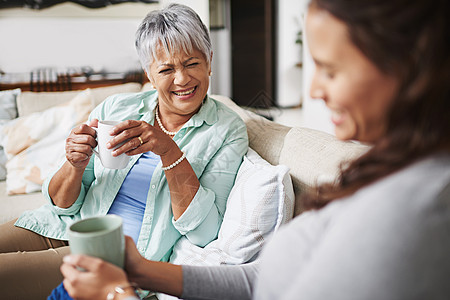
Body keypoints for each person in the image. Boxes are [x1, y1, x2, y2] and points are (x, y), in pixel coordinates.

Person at [57, 0, 450, 299]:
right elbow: (256, 281)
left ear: (405, 67)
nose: (313, 90)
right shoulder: (385, 169)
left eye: (331, 69)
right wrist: (140, 271)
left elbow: (206, 233)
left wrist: (118, 292)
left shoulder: (417, 206)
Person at [0, 3, 248, 299]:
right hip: (57, 225)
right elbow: (60, 205)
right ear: (150, 75)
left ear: (209, 61)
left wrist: (169, 152)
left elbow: (205, 231)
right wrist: (74, 164)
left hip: (106, 256)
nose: (182, 79)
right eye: (166, 69)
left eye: (192, 63)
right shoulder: (117, 108)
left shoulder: (227, 130)